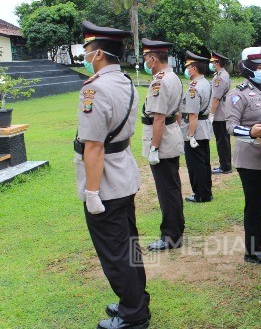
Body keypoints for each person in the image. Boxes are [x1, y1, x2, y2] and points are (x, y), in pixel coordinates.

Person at [74, 21, 150, 329]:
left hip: (104, 182)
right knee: (128, 245)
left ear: (100, 54)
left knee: (115, 253)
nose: (85, 55)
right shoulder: (127, 82)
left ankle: (134, 315)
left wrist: (92, 192)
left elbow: (92, 147)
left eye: (88, 51)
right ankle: (135, 300)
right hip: (124, 174)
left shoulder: (94, 88)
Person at [225, 46, 261, 265]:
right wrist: (250, 131)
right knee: (254, 204)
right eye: (259, 67)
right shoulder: (238, 94)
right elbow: (230, 126)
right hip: (250, 160)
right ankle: (252, 251)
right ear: (248, 69)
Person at [140, 38, 185, 251]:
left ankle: (171, 236)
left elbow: (158, 117)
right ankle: (175, 231)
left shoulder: (160, 80)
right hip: (171, 134)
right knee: (172, 188)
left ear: (153, 58)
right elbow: (176, 112)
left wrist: (154, 148)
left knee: (167, 191)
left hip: (163, 139)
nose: (145, 63)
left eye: (146, 59)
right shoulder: (174, 77)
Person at [181, 51, 213, 203]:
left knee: (196, 165)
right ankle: (206, 192)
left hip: (196, 128)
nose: (187, 70)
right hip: (204, 126)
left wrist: (190, 135)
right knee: (204, 162)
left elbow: (193, 114)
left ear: (193, 68)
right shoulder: (205, 82)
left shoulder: (194, 87)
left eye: (188, 67)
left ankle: (200, 194)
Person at [209, 51, 233, 174]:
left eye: (213, 62)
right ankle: (225, 164)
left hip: (220, 114)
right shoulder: (222, 74)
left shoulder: (220, 77)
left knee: (222, 141)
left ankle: (225, 166)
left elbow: (216, 97)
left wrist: (211, 114)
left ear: (217, 63)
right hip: (223, 112)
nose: (212, 64)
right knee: (223, 140)